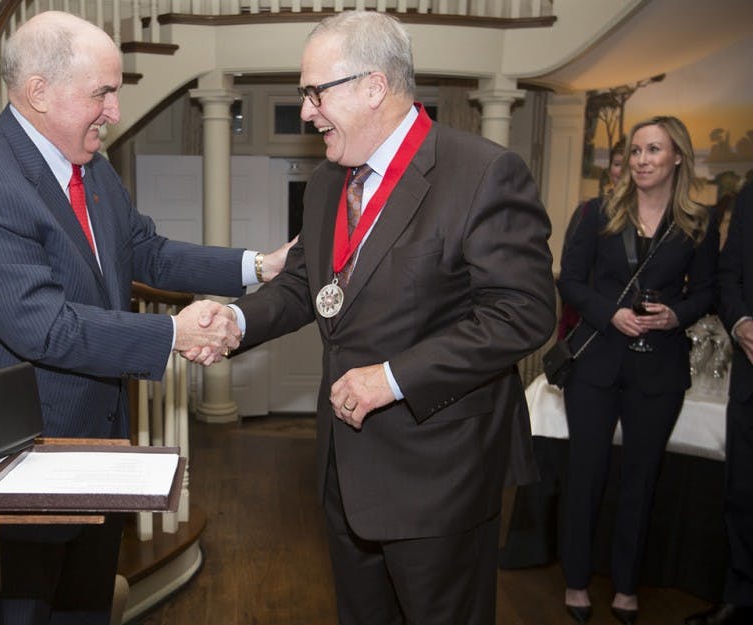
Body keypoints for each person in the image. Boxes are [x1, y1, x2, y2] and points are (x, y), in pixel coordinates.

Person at [0, 11, 290, 625]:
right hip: (12, 460)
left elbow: (145, 250)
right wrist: (175, 332)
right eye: (103, 92)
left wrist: (257, 266)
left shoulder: (88, 162)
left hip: (93, 448)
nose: (114, 111)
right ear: (38, 91)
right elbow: (44, 327)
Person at [210, 11, 556, 625]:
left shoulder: (481, 173)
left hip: (440, 475)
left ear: (374, 87)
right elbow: (304, 286)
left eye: (316, 92)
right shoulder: (325, 184)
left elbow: (523, 313)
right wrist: (236, 323)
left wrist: (393, 377)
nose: (308, 111)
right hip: (344, 467)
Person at [557, 116, 719, 624]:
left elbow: (710, 290)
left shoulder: (698, 221)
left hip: (660, 371)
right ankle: (576, 580)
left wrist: (678, 314)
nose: (643, 160)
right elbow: (570, 282)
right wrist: (610, 313)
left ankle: (627, 587)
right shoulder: (595, 212)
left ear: (677, 158)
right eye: (636, 151)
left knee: (641, 482)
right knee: (586, 476)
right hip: (597, 365)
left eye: (654, 150)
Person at [684, 181, 753, 625]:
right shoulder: (750, 196)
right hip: (750, 372)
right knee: (744, 494)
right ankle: (741, 595)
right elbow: (729, 273)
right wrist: (741, 320)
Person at [558, 139, 625, 339]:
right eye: (617, 164)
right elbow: (569, 272)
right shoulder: (590, 211)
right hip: (588, 321)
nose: (621, 172)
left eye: (626, 165)